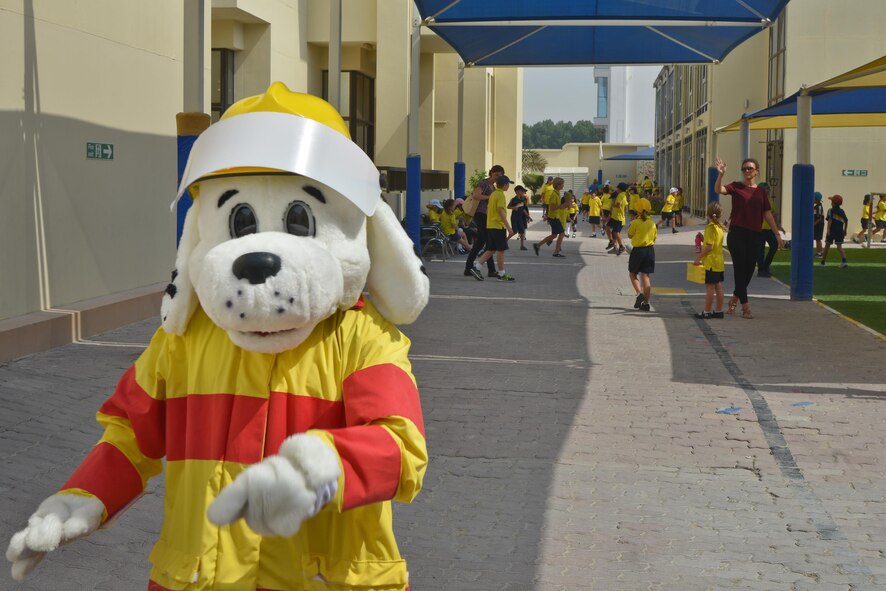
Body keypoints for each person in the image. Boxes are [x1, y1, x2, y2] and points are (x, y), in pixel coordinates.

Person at [714, 157, 783, 319]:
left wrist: (777, 233)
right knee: (740, 269)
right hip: (737, 234)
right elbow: (719, 190)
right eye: (744, 168)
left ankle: (735, 298)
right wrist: (721, 175)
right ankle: (745, 307)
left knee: (749, 271)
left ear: (756, 171)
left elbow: (767, 214)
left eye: (750, 168)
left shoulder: (761, 192)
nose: (747, 171)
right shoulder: (736, 187)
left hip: (755, 235)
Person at [464, 165, 503, 280]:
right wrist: (488, 197)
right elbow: (475, 195)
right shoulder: (484, 183)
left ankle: (473, 268)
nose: (497, 177)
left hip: (487, 216)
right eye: (496, 175)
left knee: (483, 243)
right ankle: (475, 268)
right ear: (491, 173)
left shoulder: (494, 187)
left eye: (500, 176)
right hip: (480, 215)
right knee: (485, 242)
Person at [475, 175, 516, 282]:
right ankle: (502, 274)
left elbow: (490, 209)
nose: (508, 186)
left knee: (491, 249)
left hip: (491, 225)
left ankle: (477, 267)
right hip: (498, 226)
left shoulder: (493, 194)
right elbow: (500, 211)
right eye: (508, 184)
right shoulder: (500, 195)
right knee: (501, 250)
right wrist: (508, 227)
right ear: (505, 185)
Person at [693, 202, 727, 319]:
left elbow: (709, 247)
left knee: (710, 287)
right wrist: (703, 239)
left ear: (708, 214)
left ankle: (706, 311)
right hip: (719, 261)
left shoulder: (710, 227)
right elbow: (713, 243)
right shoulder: (719, 227)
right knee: (718, 286)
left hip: (711, 262)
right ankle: (719, 310)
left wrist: (699, 257)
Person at [627, 197, 656, 312]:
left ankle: (639, 293)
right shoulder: (652, 223)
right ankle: (646, 303)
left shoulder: (635, 222)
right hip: (649, 250)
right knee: (646, 276)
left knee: (633, 274)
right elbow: (654, 238)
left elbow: (629, 235)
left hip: (638, 251)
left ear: (637, 210)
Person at [533, 177, 568, 258]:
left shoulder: (557, 193)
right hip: (553, 217)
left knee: (554, 235)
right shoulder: (554, 194)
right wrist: (562, 206)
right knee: (561, 233)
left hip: (554, 217)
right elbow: (552, 207)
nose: (563, 186)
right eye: (562, 184)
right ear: (558, 185)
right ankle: (556, 252)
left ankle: (537, 245)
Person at [757, 182, 781, 278]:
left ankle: (765, 266)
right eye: (766, 188)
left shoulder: (769, 199)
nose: (768, 190)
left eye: (768, 189)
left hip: (769, 228)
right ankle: (761, 270)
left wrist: (777, 225)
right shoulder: (758, 200)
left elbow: (773, 214)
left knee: (774, 245)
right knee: (760, 250)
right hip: (760, 229)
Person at [821, 194, 849, 268]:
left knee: (827, 246)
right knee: (839, 246)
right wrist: (845, 230)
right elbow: (846, 220)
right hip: (840, 231)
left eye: (831, 201)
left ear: (833, 203)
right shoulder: (842, 211)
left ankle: (822, 262)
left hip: (832, 230)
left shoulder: (830, 210)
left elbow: (829, 220)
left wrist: (828, 230)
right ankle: (844, 261)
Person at [508, 185, 532, 250]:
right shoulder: (514, 199)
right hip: (514, 217)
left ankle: (522, 245)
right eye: (522, 191)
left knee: (522, 231)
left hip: (520, 217)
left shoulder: (522, 199)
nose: (523, 192)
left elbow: (523, 209)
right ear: (517, 191)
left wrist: (528, 216)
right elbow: (508, 206)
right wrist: (513, 207)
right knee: (514, 231)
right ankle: (505, 241)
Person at [608, 182, 629, 255]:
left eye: (617, 188)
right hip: (616, 216)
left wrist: (613, 204)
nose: (616, 189)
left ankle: (621, 246)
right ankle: (613, 245)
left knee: (616, 232)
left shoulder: (620, 195)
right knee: (610, 229)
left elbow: (618, 205)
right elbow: (626, 207)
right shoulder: (624, 195)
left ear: (620, 189)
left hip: (618, 217)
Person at [813, 191, 825, 257]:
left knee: (818, 239)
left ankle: (821, 252)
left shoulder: (819, 207)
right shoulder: (816, 206)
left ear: (817, 199)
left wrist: (814, 224)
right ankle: (818, 252)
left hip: (819, 225)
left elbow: (820, 218)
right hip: (816, 224)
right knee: (817, 238)